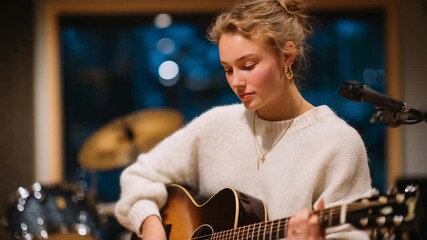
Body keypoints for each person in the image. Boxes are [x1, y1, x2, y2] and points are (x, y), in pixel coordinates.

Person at [115, 0, 373, 239]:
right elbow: (138, 175)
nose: (236, 82)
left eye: (248, 65)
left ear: (287, 56)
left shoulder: (339, 143)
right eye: (228, 69)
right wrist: (150, 224)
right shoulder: (215, 126)